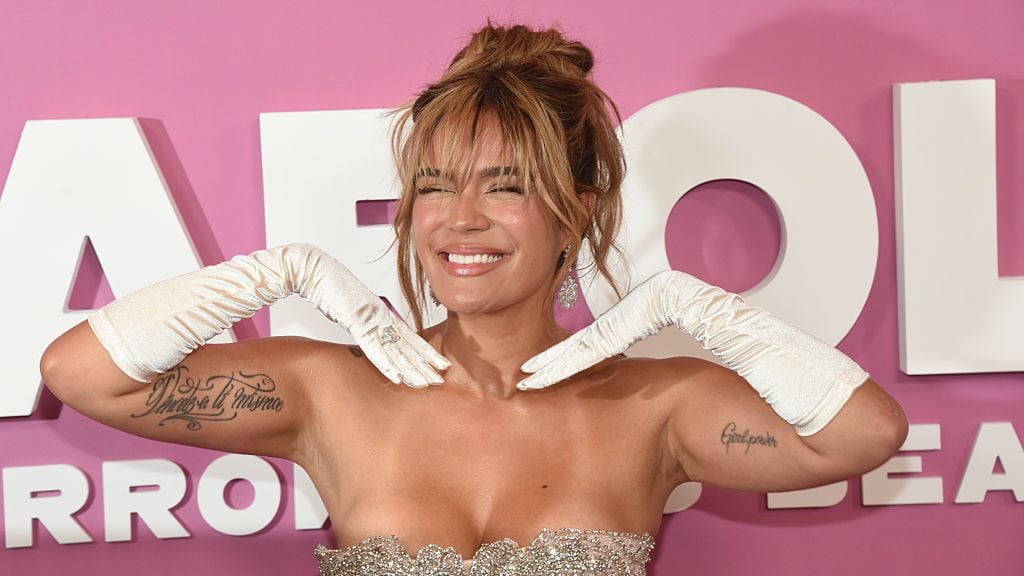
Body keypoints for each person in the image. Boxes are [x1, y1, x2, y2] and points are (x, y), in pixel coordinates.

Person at [40, 23, 907, 576]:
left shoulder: (658, 404)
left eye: (505, 186)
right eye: (433, 185)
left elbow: (863, 435)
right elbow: (81, 375)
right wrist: (273, 273)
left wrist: (706, 309)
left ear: (577, 211)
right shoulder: (331, 390)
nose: (459, 220)